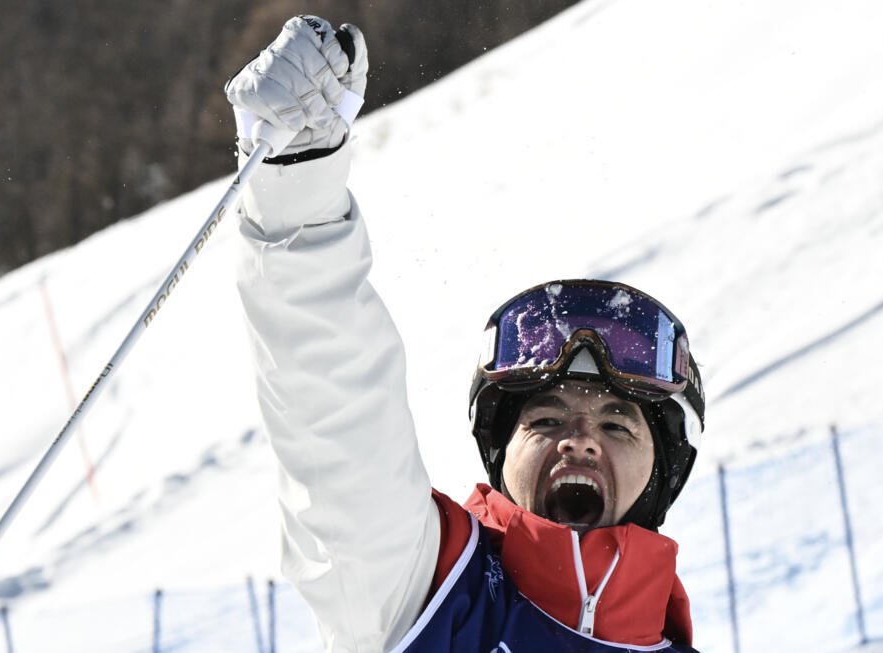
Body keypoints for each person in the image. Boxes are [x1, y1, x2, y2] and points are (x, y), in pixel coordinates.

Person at [226, 16, 705, 653]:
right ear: (500, 450)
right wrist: (296, 190)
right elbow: (338, 422)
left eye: (618, 424)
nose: (580, 442)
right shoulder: (423, 593)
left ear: (662, 470)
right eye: (545, 420)